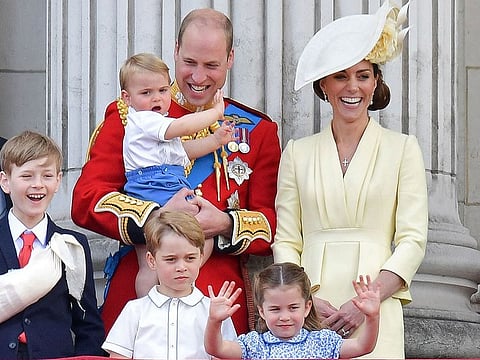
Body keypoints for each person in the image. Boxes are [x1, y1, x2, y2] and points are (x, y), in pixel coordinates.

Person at [71, 7, 281, 335]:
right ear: (175, 51)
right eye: (189, 63)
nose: (198, 77)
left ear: (230, 59)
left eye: (211, 65)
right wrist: (155, 216)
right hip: (142, 302)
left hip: (217, 304)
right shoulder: (130, 116)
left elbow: (271, 222)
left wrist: (225, 223)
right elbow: (86, 201)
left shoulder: (257, 131)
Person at [272, 1, 428, 359]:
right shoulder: (297, 152)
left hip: (376, 305)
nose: (352, 87)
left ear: (376, 83)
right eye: (340, 76)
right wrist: (305, 298)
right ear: (324, 85)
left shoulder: (403, 149)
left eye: (362, 75)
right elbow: (286, 239)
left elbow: (412, 240)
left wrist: (369, 300)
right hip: (306, 311)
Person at [119, 53, 234, 297]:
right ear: (127, 98)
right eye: (146, 93)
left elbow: (183, 152)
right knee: (150, 261)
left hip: (169, 183)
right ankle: (148, 308)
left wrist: (215, 140)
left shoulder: (160, 123)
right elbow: (181, 128)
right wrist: (215, 112)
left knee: (202, 240)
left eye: (162, 90)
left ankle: (174, 284)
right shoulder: (143, 120)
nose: (157, 98)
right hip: (151, 190)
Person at [0, 131, 105, 359]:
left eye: (47, 176)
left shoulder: (73, 246)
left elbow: (87, 323)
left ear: (58, 181)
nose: (37, 185)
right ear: (5, 182)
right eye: (27, 176)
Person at [102, 211, 237, 359]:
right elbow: (118, 355)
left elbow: (226, 355)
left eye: (190, 258)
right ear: (152, 260)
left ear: (201, 257)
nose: (181, 267)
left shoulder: (214, 311)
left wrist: (215, 321)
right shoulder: (135, 311)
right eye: (171, 259)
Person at [205, 262, 380, 359]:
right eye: (275, 309)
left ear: (307, 307)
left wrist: (372, 317)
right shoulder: (254, 345)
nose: (285, 317)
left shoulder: (322, 341)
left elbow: (363, 346)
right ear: (262, 311)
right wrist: (214, 321)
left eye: (293, 308)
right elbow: (216, 349)